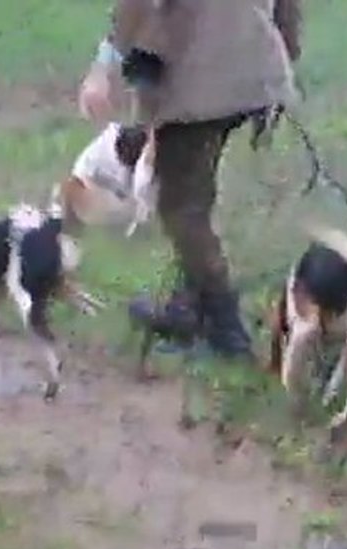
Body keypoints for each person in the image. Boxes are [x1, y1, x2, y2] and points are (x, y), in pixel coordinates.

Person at [77, 0, 303, 360]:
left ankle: (225, 332)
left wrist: (102, 67)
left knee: (181, 209)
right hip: (254, 68)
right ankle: (187, 305)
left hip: (196, 77)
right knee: (194, 189)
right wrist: (283, 56)